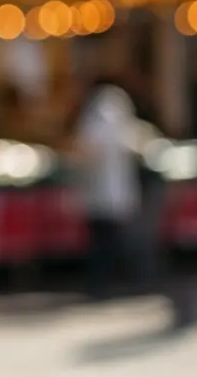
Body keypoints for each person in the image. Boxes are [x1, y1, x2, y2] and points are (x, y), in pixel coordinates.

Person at [74, 79, 141, 298]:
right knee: (109, 242)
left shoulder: (93, 124)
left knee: (103, 242)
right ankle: (109, 282)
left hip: (100, 193)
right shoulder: (118, 125)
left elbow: (83, 153)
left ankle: (103, 282)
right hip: (110, 194)